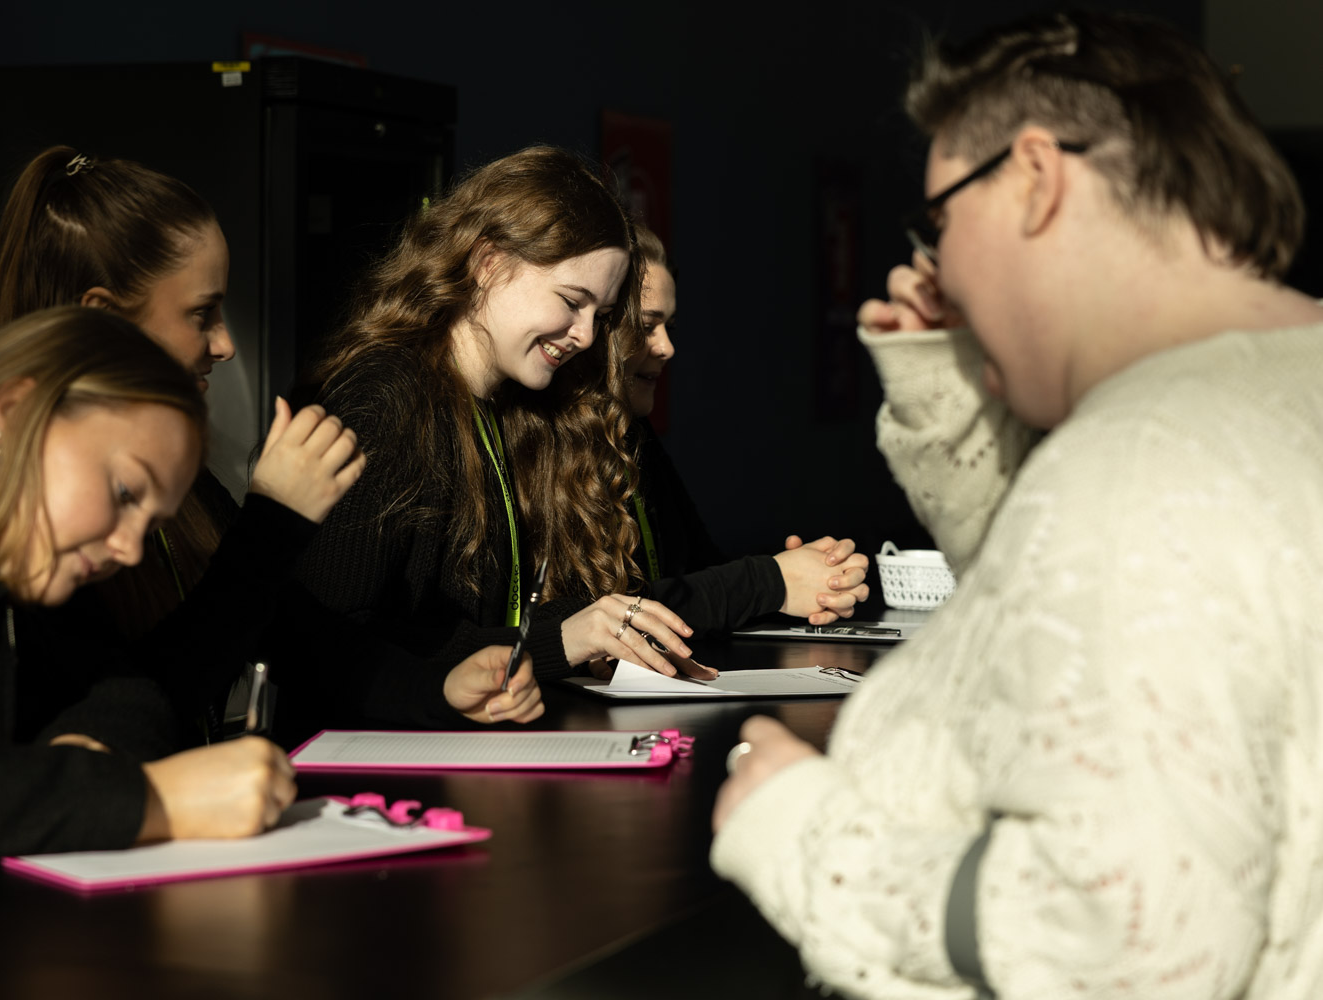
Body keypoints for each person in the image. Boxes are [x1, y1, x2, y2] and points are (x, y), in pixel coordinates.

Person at [711, 10, 1323, 998]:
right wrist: (962, 393)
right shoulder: (1257, 405)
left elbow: (1134, 942)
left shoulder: (1139, 466)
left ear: (1036, 177)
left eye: (942, 220)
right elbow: (1094, 642)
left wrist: (800, 828)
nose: (938, 266)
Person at [0, 146, 544, 738]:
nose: (224, 345)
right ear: (104, 319)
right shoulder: (20, 511)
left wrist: (436, 689)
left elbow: (294, 633)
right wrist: (272, 521)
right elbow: (123, 716)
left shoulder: (187, 488)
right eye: (201, 314)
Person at [0, 307, 299, 863]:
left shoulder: (33, 578)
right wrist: (150, 799)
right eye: (125, 492)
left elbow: (132, 697)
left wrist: (70, 773)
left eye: (150, 524)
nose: (130, 549)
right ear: (13, 415)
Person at [294, 146, 709, 682]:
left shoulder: (503, 407)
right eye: (571, 301)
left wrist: (588, 628)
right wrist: (561, 640)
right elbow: (324, 648)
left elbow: (467, 629)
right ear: (488, 263)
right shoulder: (386, 400)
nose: (586, 335)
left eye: (600, 314)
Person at [623, 224, 872, 633]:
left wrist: (806, 580)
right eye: (646, 326)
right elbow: (602, 618)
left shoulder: (637, 437)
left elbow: (699, 579)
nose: (667, 347)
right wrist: (771, 582)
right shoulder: (550, 445)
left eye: (670, 326)